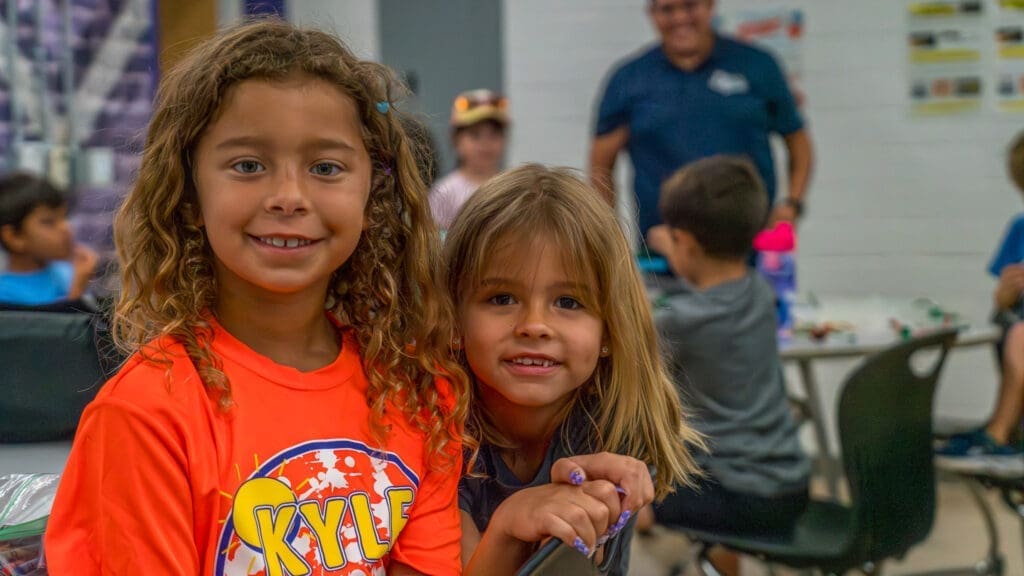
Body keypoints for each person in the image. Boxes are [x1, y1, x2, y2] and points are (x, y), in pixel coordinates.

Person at [44, 19, 468, 575]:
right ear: (189, 192)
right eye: (248, 165)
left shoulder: (416, 393)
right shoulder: (147, 414)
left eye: (325, 167)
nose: (288, 197)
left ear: (373, 194)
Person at [444, 164, 703, 575]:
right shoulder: (433, 435)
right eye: (502, 298)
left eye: (568, 302)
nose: (534, 325)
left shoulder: (613, 431)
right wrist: (510, 525)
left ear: (609, 329)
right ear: (453, 318)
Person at [646, 156, 810, 576]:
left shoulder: (681, 321)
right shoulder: (759, 292)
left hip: (739, 494)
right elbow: (709, 294)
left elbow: (642, 347)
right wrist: (678, 245)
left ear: (689, 244)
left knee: (629, 498)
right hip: (790, 483)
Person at [590, 0, 814, 247]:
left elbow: (798, 143)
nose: (680, 18)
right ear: (652, 13)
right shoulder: (628, 79)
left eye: (690, 6)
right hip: (664, 254)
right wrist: (607, 238)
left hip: (750, 252)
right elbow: (601, 165)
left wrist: (791, 206)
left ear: (709, 6)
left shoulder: (757, 66)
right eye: (667, 9)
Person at [938, 132, 1024, 459]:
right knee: (1012, 328)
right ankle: (1004, 427)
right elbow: (1000, 304)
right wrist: (1006, 292)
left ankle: (998, 431)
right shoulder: (1020, 228)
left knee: (1019, 335)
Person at [0, 172, 97, 306]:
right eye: (49, 222)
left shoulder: (68, 273)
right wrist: (77, 293)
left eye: (64, 217)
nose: (65, 228)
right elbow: (51, 326)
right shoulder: (5, 293)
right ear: (14, 237)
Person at [429, 89, 509, 231]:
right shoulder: (444, 192)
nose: (485, 143)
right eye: (475, 135)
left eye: (494, 135)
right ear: (456, 140)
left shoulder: (512, 187)